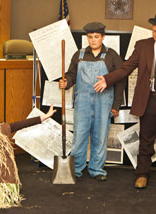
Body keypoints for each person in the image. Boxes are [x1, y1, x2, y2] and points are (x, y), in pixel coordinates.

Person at [94, 11, 156, 188]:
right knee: (146, 138)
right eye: (154, 31)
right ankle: (142, 174)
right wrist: (108, 78)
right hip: (149, 99)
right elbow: (126, 67)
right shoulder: (142, 46)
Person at [59, 22, 125, 181]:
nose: (93, 40)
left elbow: (121, 79)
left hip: (104, 103)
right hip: (82, 102)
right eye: (90, 37)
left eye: (96, 37)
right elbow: (71, 75)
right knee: (79, 136)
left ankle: (97, 169)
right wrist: (66, 82)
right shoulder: (79, 55)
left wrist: (116, 105)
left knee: (100, 136)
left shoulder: (111, 55)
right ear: (86, 38)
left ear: (103, 37)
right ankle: (76, 169)